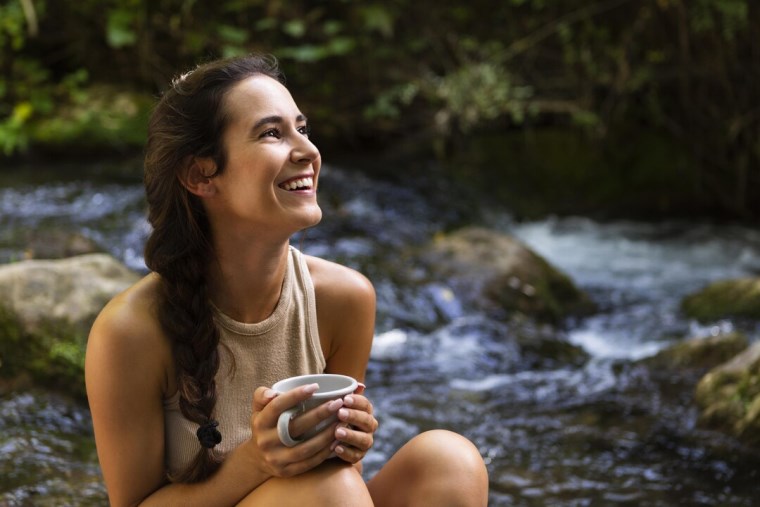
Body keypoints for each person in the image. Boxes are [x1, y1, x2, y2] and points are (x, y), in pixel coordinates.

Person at [85, 54, 489, 506]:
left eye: (303, 128)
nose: (308, 151)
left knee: (449, 461)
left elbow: (343, 477)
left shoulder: (344, 298)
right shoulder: (130, 332)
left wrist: (348, 445)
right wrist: (256, 462)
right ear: (201, 174)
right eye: (272, 133)